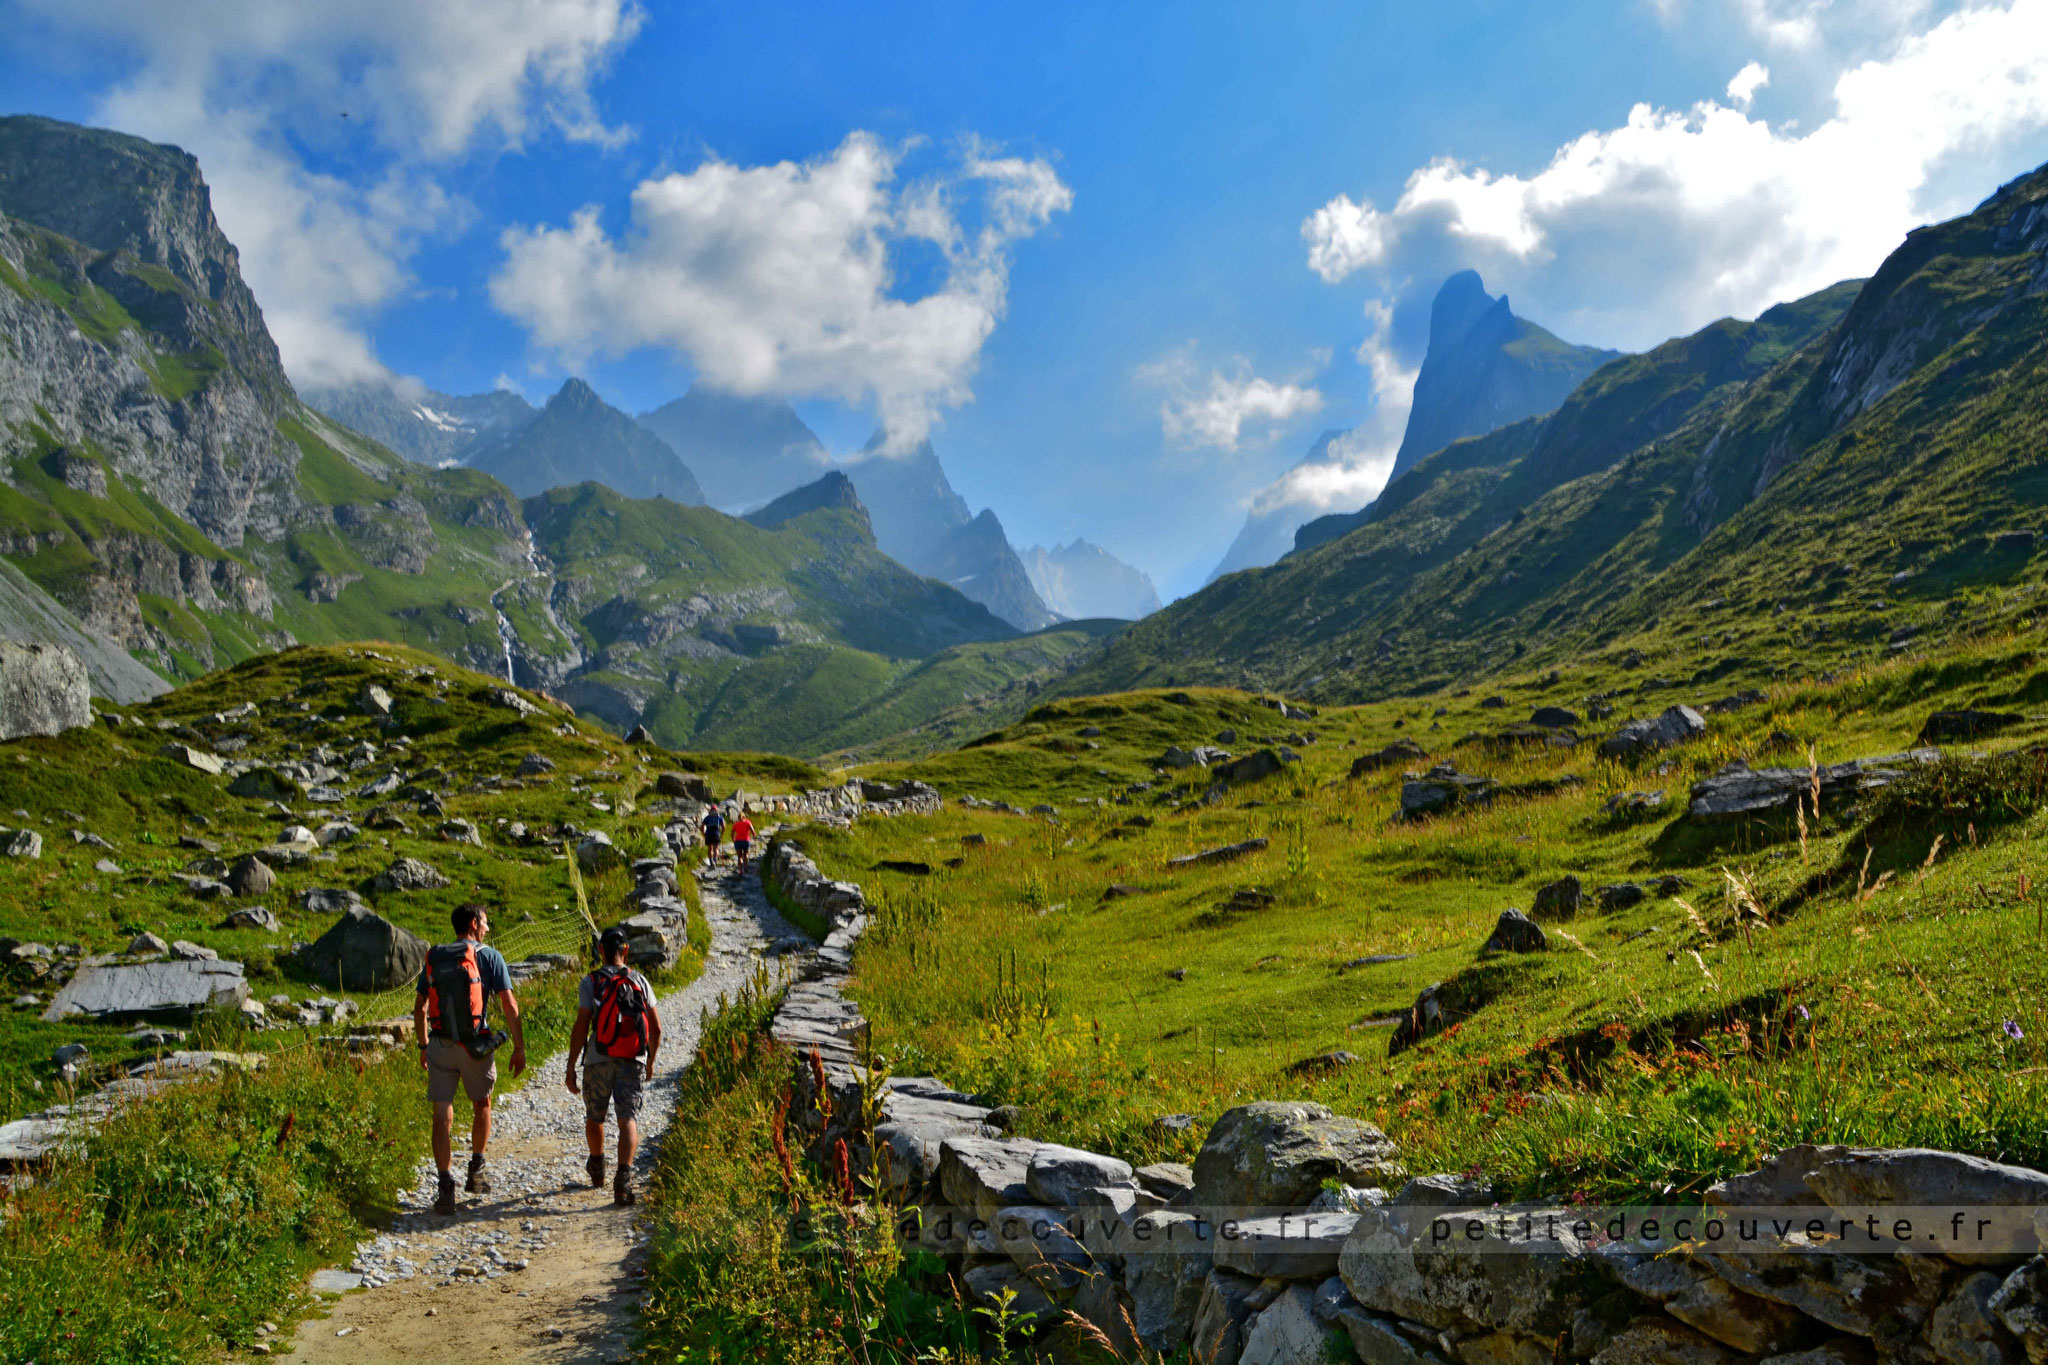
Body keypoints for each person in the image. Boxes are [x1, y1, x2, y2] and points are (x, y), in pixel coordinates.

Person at [414, 902, 526, 1216]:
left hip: (440, 1044)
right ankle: (476, 1170)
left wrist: (423, 1046)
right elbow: (509, 1005)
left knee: (442, 1114)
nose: (488, 928)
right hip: (475, 1046)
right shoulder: (490, 956)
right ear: (475, 923)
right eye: (486, 922)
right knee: (482, 1104)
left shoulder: (436, 957)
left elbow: (420, 1007)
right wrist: (518, 1048)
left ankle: (445, 1184)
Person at [566, 926, 662, 1206]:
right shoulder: (641, 981)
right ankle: (623, 1180)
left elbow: (582, 1024)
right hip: (633, 1059)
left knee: (595, 1117)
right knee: (627, 1118)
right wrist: (651, 1060)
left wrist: (572, 1065)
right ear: (626, 951)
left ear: (600, 951)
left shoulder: (592, 981)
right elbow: (655, 1027)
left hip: (598, 1059)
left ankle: (597, 1168)